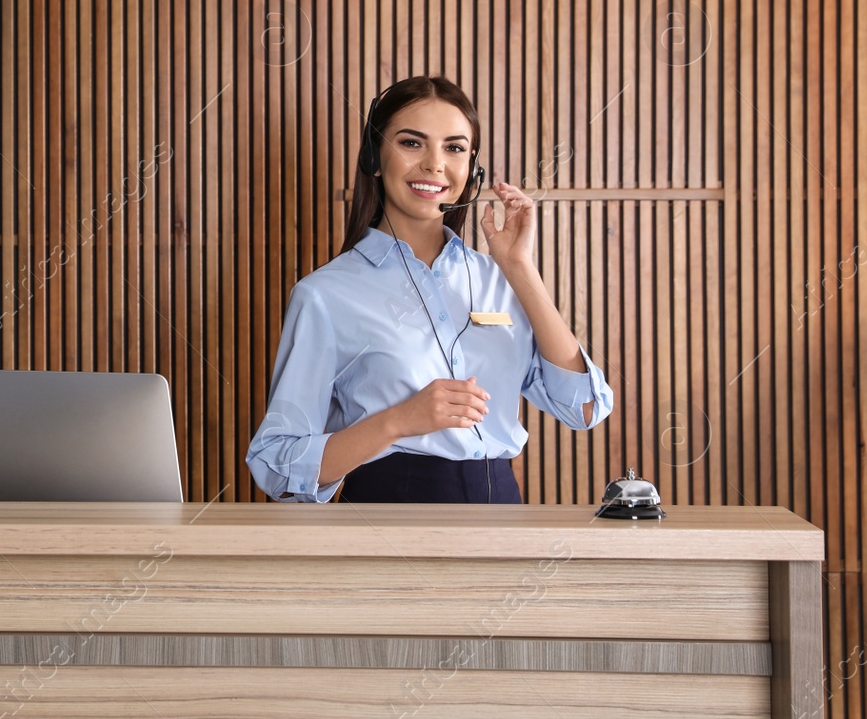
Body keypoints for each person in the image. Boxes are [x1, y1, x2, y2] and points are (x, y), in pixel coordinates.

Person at [245, 75, 614, 503]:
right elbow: (276, 463)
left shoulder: (500, 279)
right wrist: (397, 421)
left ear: (471, 168)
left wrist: (519, 268)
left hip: (504, 524)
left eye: (454, 148)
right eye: (412, 143)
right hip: (387, 524)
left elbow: (584, 407)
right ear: (375, 157)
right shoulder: (324, 295)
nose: (435, 164)